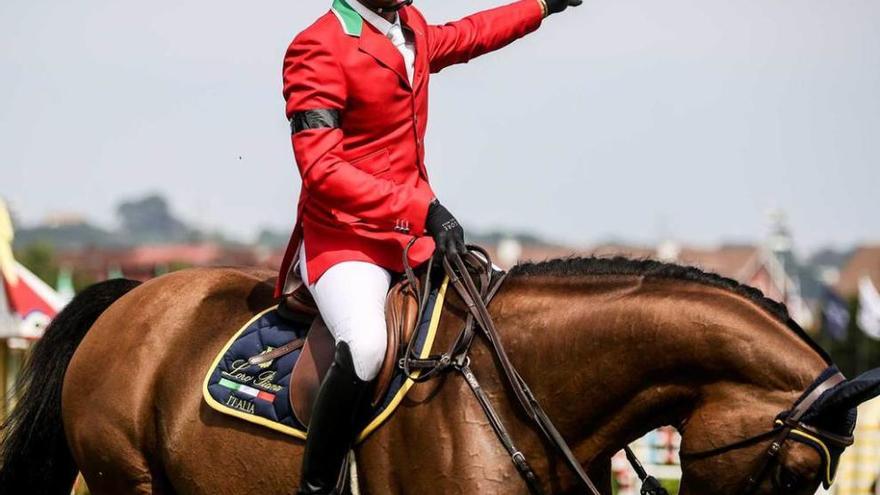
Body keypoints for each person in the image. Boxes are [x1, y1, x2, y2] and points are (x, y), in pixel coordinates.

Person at [277, 0, 581, 492]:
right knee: (367, 348)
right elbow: (322, 171)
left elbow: (472, 34)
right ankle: (315, 487)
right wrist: (421, 210)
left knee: (499, 319)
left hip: (411, 239)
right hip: (344, 241)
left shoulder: (410, 28)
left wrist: (543, 5)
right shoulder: (317, 47)